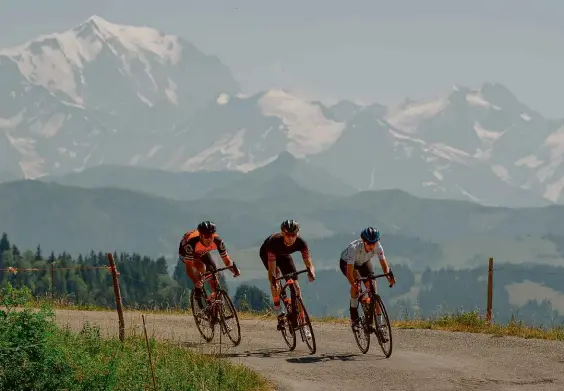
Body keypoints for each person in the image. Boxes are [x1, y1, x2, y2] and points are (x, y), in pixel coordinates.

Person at [259, 219, 315, 336]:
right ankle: (278, 308)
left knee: (297, 288)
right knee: (275, 277)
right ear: (283, 233)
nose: (290, 238)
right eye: (288, 235)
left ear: (297, 234)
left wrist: (311, 272)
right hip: (267, 253)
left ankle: (303, 325)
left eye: (293, 235)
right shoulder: (274, 242)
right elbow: (272, 271)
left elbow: (309, 264)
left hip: (284, 255)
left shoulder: (301, 243)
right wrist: (273, 280)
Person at [339, 226, 395, 333]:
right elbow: (350, 273)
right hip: (348, 263)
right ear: (363, 241)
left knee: (374, 290)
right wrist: (354, 284)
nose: (371, 246)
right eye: (369, 243)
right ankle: (354, 317)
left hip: (364, 262)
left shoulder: (378, 246)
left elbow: (384, 265)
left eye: (373, 243)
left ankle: (379, 325)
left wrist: (388, 276)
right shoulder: (353, 248)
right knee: (356, 285)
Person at [179, 221, 240, 308]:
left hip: (202, 252)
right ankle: (198, 291)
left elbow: (227, 261)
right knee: (200, 268)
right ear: (200, 236)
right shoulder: (192, 243)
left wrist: (234, 270)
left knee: (212, 270)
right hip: (186, 252)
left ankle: (215, 301)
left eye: (211, 236)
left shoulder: (217, 241)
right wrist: (196, 282)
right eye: (206, 236)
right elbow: (189, 268)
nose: (209, 239)